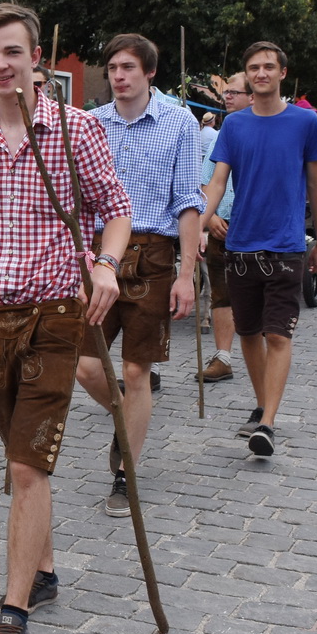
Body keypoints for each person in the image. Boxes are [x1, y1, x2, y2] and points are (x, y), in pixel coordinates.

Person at [0, 3, 130, 634]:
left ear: (35, 58)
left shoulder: (76, 130)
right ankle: (43, 570)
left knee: (26, 464)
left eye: (11, 53)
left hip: (55, 314)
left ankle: (14, 611)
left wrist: (105, 264)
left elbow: (117, 210)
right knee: (21, 462)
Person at [81, 33, 203, 516]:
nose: (118, 76)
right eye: (112, 68)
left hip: (154, 254)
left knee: (136, 370)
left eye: (128, 67)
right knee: (85, 364)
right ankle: (125, 418)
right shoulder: (91, 123)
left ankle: (124, 471)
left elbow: (188, 203)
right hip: (99, 255)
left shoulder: (179, 121)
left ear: (149, 73)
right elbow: (77, 198)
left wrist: (186, 274)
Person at [202, 41, 317, 458]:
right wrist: (201, 220)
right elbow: (218, 181)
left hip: (286, 246)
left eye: (268, 67)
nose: (261, 73)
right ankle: (262, 405)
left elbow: (315, 184)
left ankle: (268, 423)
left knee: (277, 333)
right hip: (240, 246)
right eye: (254, 67)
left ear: (282, 73)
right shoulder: (234, 126)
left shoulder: (304, 122)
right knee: (248, 333)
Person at [199, 75, 252, 384]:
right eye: (226, 91)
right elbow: (207, 179)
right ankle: (223, 356)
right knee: (221, 293)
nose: (227, 96)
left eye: (234, 92)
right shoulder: (222, 134)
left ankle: (265, 352)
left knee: (256, 296)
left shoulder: (265, 129)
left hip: (255, 229)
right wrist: (211, 217)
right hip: (223, 226)